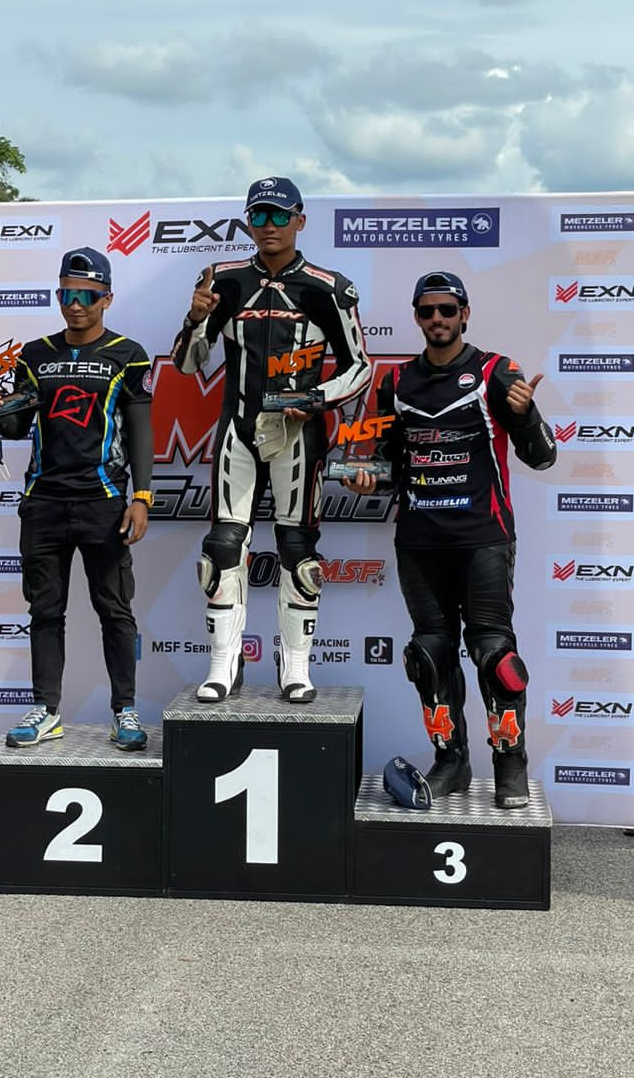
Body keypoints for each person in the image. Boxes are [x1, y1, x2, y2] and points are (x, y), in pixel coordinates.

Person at [171, 176, 371, 704]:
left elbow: (360, 368)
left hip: (298, 434)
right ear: (247, 222)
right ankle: (223, 662)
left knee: (298, 550)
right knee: (222, 546)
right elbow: (188, 364)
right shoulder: (223, 279)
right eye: (258, 215)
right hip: (237, 429)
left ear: (300, 220)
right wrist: (196, 318)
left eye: (279, 215)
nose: (268, 226)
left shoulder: (330, 288)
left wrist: (318, 398)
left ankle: (296, 666)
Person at [366, 270, 556, 808]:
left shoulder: (497, 372)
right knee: (429, 654)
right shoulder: (395, 383)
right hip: (419, 540)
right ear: (416, 317)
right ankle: (451, 761)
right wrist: (367, 479)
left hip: (483, 538)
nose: (437, 319)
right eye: (427, 311)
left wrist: (525, 414)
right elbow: (386, 465)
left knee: (495, 654)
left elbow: (543, 456)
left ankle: (510, 763)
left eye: (447, 310)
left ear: (464, 314)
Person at [0, 247, 154, 751]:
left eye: (86, 296)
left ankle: (125, 710)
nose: (75, 304)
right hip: (44, 502)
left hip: (104, 501)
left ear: (107, 299)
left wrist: (141, 497)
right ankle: (47, 710)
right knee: (45, 611)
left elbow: (141, 429)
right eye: (66, 294)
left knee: (114, 609)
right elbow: (16, 424)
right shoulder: (34, 354)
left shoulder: (128, 354)